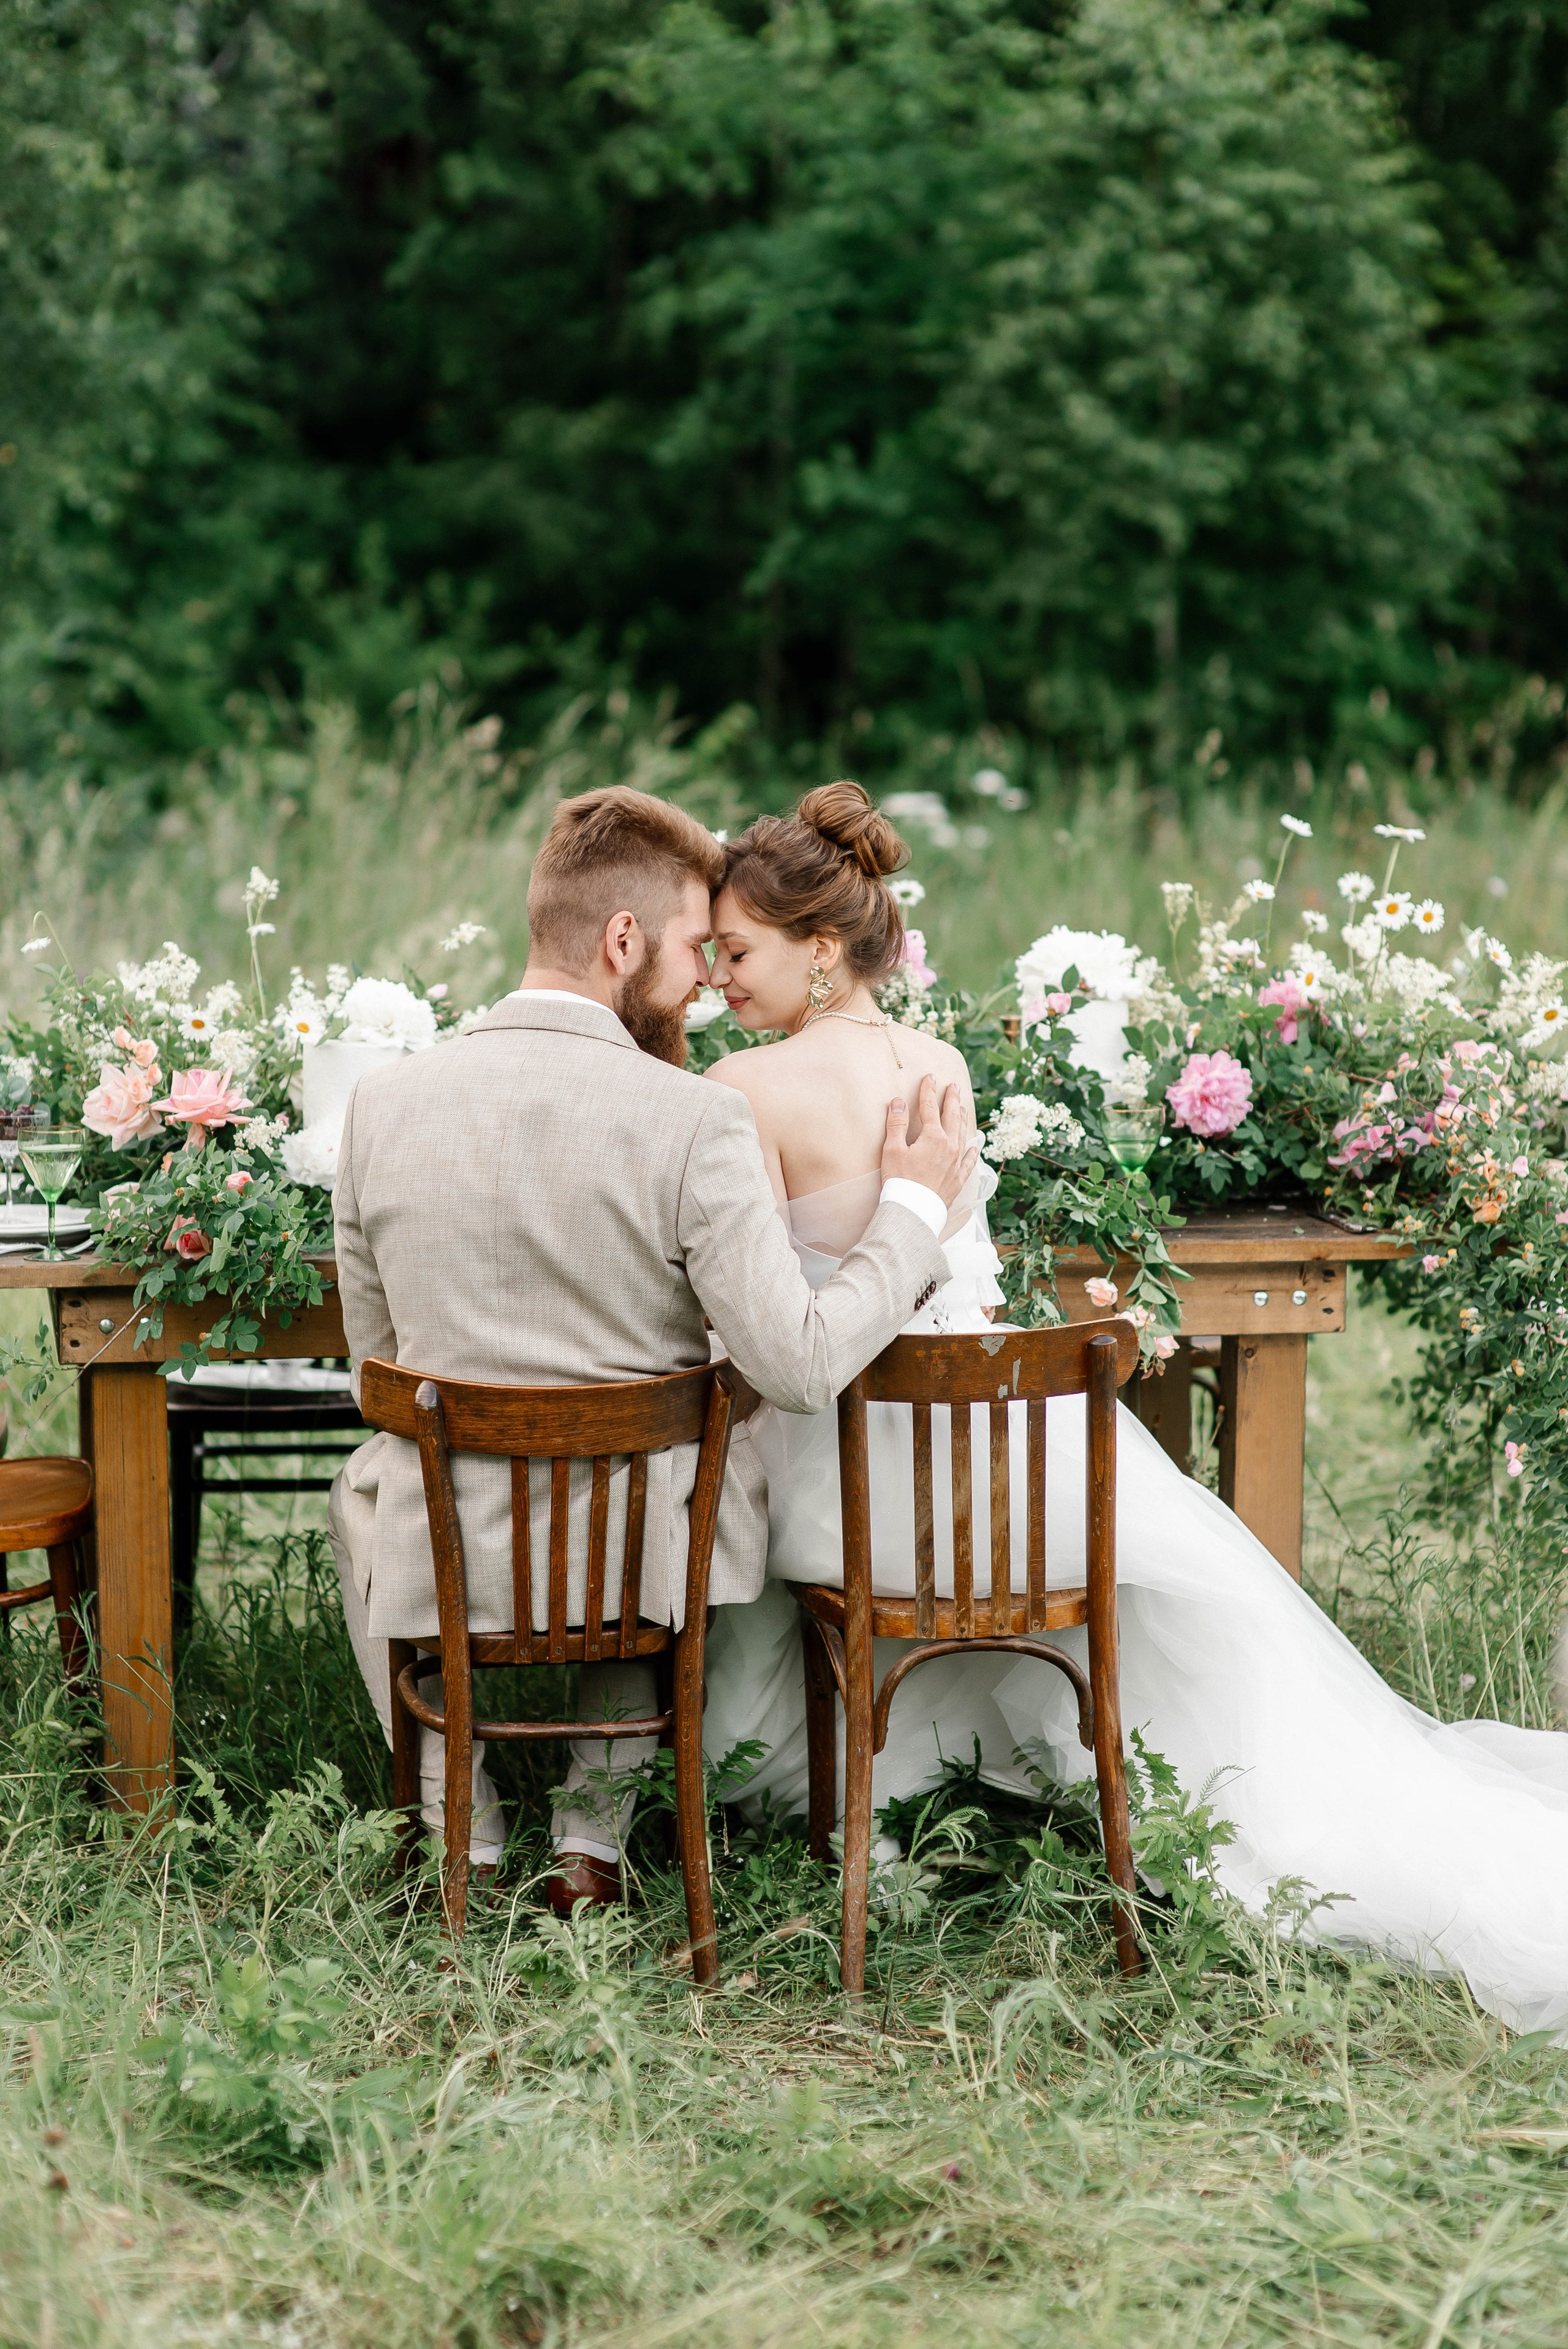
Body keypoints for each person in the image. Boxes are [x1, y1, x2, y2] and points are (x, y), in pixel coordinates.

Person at [698, 780, 1568, 2041]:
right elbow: (964, 1283)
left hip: (858, 1475)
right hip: (1002, 1460)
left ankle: (814, 1810)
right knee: (1166, 1591)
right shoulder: (933, 1061)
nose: (718, 975)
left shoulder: (742, 1088)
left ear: (820, 951)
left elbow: (763, 1326)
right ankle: (1122, 1799)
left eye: (737, 950)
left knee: (741, 1504)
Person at [325, 783, 976, 1913]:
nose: (703, 981)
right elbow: (802, 1365)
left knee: (367, 1482)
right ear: (623, 939)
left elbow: (377, 1365)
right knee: (653, 1483)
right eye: (689, 948)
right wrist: (913, 1218)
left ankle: (455, 1835)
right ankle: (590, 1843)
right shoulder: (695, 1119)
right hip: (630, 1548)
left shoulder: (380, 1105)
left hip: (447, 1530)